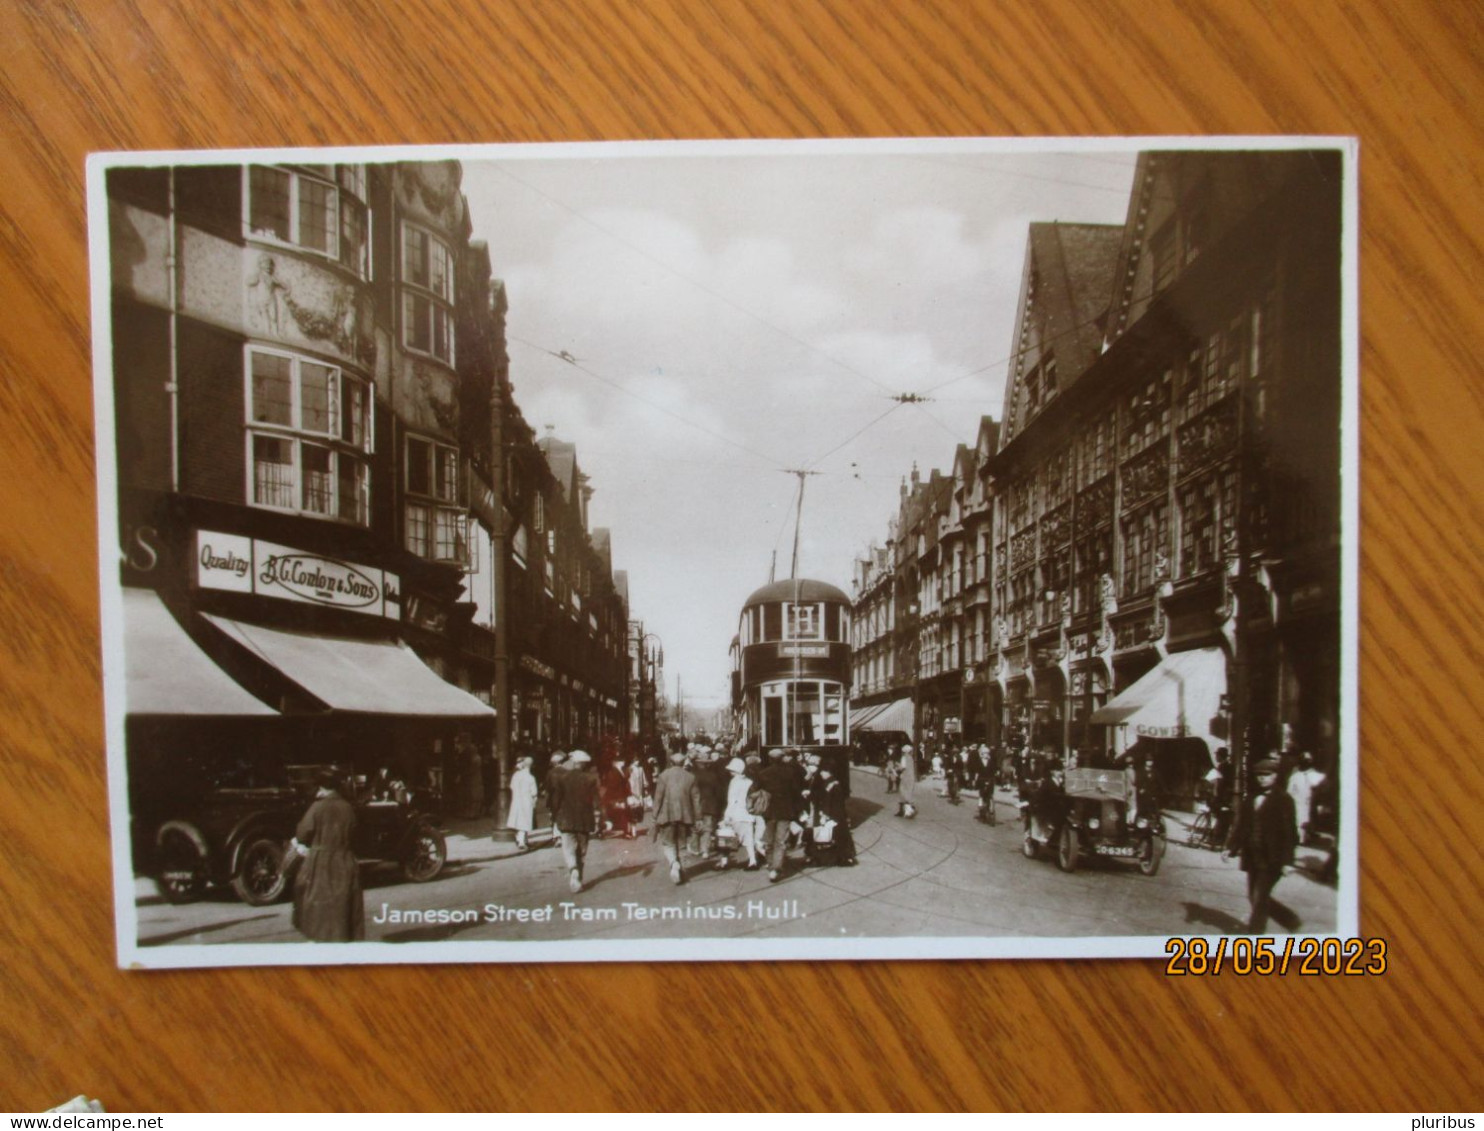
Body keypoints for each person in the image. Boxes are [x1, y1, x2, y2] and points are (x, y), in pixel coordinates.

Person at [290, 769, 364, 942]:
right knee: (341, 906)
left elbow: (302, 833)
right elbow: (356, 835)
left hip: (321, 862)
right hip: (345, 860)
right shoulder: (348, 808)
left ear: (323, 787)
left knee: (317, 907)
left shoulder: (318, 807)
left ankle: (320, 944)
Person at [1228, 757, 1299, 933]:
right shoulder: (1250, 798)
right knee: (1254, 897)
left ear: (1275, 776)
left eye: (1266, 775)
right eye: (1259, 775)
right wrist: (1230, 847)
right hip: (1253, 856)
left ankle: (1255, 938)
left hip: (1273, 858)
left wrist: (1288, 862)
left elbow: (1290, 834)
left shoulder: (1284, 799)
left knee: (1259, 899)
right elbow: (1241, 826)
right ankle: (1290, 920)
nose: (1262, 778)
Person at [651, 751, 702, 884]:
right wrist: (698, 817)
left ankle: (674, 863)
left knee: (668, 842)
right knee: (683, 843)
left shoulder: (663, 776)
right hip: (685, 815)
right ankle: (682, 868)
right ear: (683, 762)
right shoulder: (690, 777)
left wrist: (654, 814)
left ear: (671, 762)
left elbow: (658, 797)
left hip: (666, 815)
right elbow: (696, 799)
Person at [555, 750, 601, 893]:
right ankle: (579, 877)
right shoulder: (590, 779)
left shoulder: (562, 778)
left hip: (566, 819)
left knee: (568, 848)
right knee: (581, 850)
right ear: (584, 764)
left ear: (574, 762)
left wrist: (555, 816)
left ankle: (572, 868)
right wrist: (600, 816)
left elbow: (556, 800)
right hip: (584, 820)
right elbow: (596, 801)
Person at [755, 748, 804, 882]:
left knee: (769, 840)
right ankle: (776, 868)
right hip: (786, 811)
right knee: (781, 841)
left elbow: (758, 792)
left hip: (769, 812)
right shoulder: (790, 773)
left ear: (770, 759)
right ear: (782, 758)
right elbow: (796, 792)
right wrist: (798, 809)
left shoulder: (763, 773)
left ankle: (771, 866)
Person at [809, 764, 857, 866]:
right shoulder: (830, 783)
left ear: (828, 772)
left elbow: (830, 801)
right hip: (836, 815)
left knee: (834, 836)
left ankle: (841, 858)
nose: (821, 773)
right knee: (835, 836)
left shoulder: (832, 784)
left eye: (823, 771)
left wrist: (825, 814)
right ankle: (841, 858)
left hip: (834, 815)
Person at [718, 756, 760, 870]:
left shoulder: (734, 782)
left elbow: (732, 800)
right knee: (748, 839)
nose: (730, 772)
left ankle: (724, 862)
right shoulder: (750, 782)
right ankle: (753, 861)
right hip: (748, 815)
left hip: (735, 814)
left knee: (725, 837)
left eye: (731, 770)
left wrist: (727, 815)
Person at [691, 751, 728, 859]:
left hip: (696, 805)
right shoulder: (713, 776)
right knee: (707, 828)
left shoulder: (693, 775)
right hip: (710, 805)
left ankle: (694, 848)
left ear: (698, 763)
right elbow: (719, 792)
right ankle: (705, 850)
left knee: (695, 827)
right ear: (707, 764)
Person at [1287, 751, 1326, 846]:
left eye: (1308, 759)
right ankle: (1300, 839)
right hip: (1298, 800)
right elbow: (1290, 790)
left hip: (1309, 801)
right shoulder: (1295, 776)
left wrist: (1319, 802)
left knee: (1307, 819)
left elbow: (1320, 791)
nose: (1306, 761)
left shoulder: (1316, 775)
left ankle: (1307, 835)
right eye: (1304, 759)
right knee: (1299, 819)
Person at [506, 756, 538, 852]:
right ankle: (522, 841)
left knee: (518, 820)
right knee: (525, 821)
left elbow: (511, 787)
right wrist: (534, 802)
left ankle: (521, 839)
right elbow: (534, 793)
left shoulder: (516, 775)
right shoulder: (531, 778)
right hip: (526, 801)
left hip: (516, 800)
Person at [543, 751, 568, 842]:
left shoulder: (550, 773)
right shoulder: (567, 772)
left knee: (555, 816)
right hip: (565, 798)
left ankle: (557, 836)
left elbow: (548, 788)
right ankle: (563, 834)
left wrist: (547, 801)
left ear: (555, 763)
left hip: (554, 798)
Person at [895, 743, 918, 818]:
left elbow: (902, 767)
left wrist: (897, 767)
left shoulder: (904, 757)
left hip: (905, 777)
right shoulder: (911, 758)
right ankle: (904, 811)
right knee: (907, 793)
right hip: (911, 777)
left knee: (903, 793)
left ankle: (907, 811)